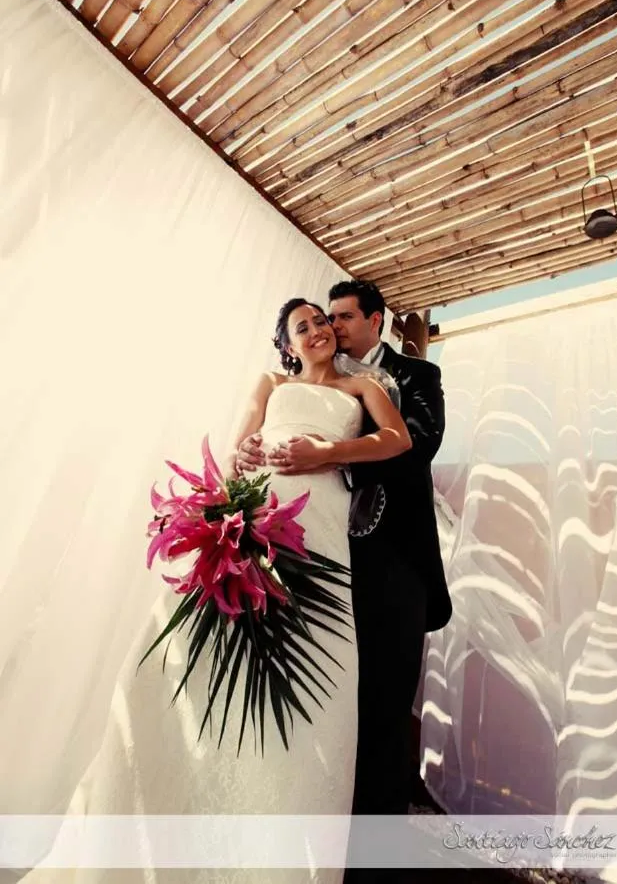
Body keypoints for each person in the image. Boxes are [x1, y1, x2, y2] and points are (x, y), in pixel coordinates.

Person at [20, 298, 413, 884]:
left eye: (322, 321)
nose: (317, 330)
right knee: (202, 653)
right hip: (259, 508)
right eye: (301, 327)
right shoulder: (271, 383)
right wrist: (247, 453)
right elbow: (235, 448)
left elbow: (397, 440)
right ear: (286, 344)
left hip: (321, 523)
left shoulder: (363, 390)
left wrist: (326, 452)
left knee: (315, 662)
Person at [238, 280, 452, 833]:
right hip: (317, 538)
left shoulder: (410, 377)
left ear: (376, 321)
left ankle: (374, 848)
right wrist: (255, 452)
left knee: (383, 702)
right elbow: (250, 431)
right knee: (313, 678)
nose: (329, 328)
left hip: (395, 559)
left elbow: (415, 444)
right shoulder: (282, 381)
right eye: (316, 321)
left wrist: (326, 454)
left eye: (339, 318)